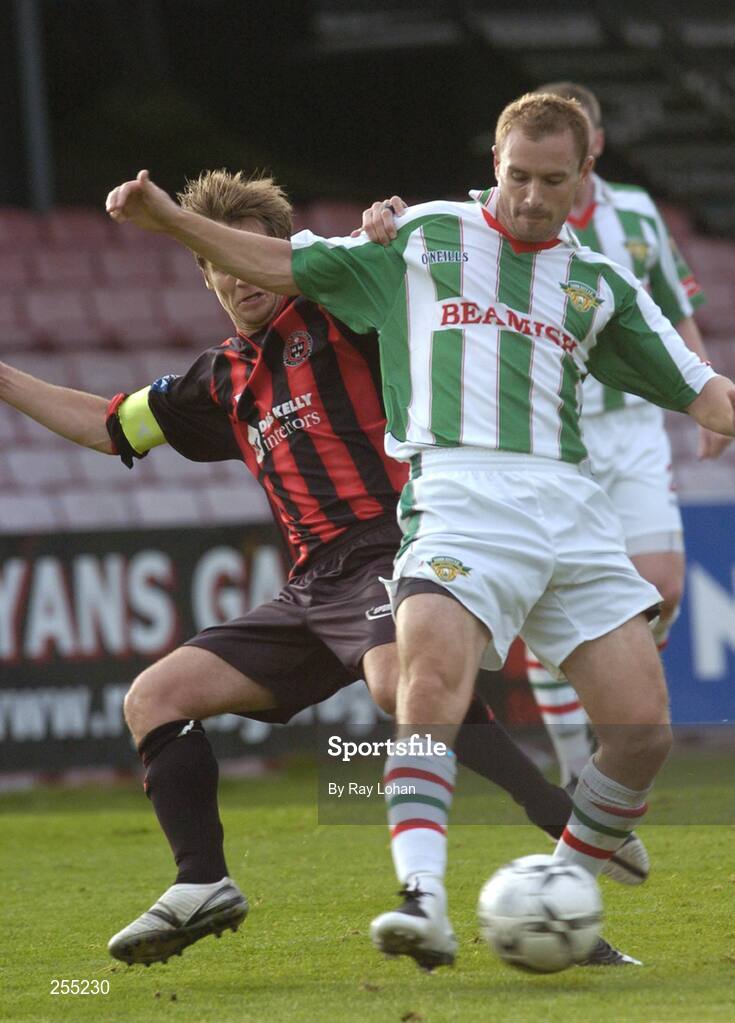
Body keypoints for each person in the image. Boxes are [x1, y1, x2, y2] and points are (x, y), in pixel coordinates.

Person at [104, 96, 735, 973]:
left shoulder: (602, 285)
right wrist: (171, 220)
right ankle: (422, 902)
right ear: (494, 158)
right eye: (517, 175)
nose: (530, 197)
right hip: (459, 490)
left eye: (553, 181)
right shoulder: (423, 237)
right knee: (426, 685)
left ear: (581, 177)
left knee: (640, 730)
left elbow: (708, 395)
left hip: (571, 503)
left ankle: (557, 892)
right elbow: (281, 263)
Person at [0, 169, 636, 970]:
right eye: (214, 267)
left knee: (396, 683)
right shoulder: (218, 380)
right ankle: (202, 882)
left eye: (246, 256)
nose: (235, 279)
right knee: (154, 698)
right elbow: (105, 425)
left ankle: (559, 820)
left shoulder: (351, 311)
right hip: (309, 589)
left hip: (391, 545)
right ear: (203, 271)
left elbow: (442, 277)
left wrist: (392, 229)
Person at [358, 81, 733, 791]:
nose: (534, 189)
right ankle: (573, 755)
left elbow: (670, 309)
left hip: (636, 424)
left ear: (592, 152)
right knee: (541, 589)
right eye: (521, 172)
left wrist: (700, 387)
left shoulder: (635, 219)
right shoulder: (480, 214)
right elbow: (423, 257)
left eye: (579, 145)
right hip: (554, 428)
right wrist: (384, 219)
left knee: (661, 587)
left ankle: (601, 688)